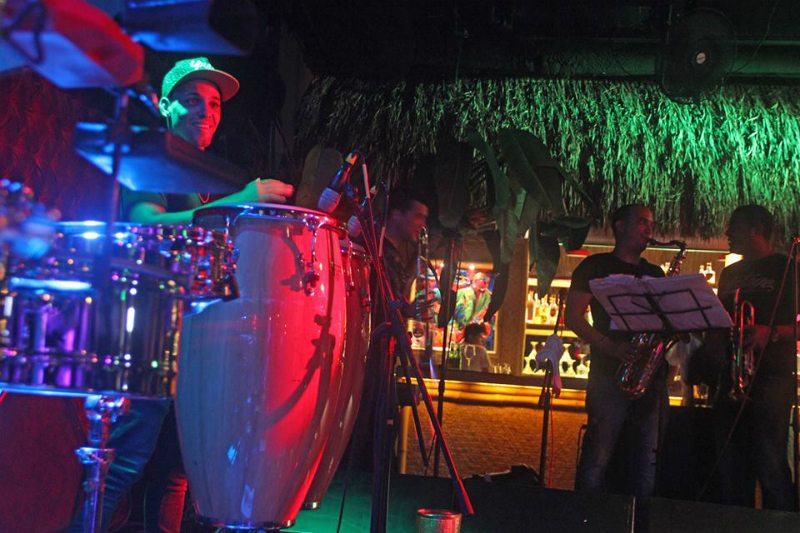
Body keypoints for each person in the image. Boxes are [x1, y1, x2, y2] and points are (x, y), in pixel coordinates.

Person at [69, 57, 294, 533]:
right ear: (167, 107)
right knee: (126, 462)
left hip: (191, 342)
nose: (205, 112)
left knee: (176, 470)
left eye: (213, 104)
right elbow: (146, 225)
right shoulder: (154, 158)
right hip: (148, 335)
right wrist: (241, 202)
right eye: (192, 100)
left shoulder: (202, 178)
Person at [564, 203, 666, 498]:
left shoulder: (654, 273)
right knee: (597, 460)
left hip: (650, 380)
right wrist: (611, 347)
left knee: (646, 465)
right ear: (620, 226)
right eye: (642, 222)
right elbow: (573, 317)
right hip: (609, 376)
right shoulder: (595, 267)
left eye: (650, 223)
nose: (649, 229)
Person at [700, 205, 796, 511]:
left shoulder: (789, 268)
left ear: (755, 230)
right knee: (731, 467)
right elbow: (720, 319)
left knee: (770, 464)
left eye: (734, 227)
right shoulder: (730, 273)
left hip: (771, 376)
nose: (727, 234)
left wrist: (771, 332)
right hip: (730, 375)